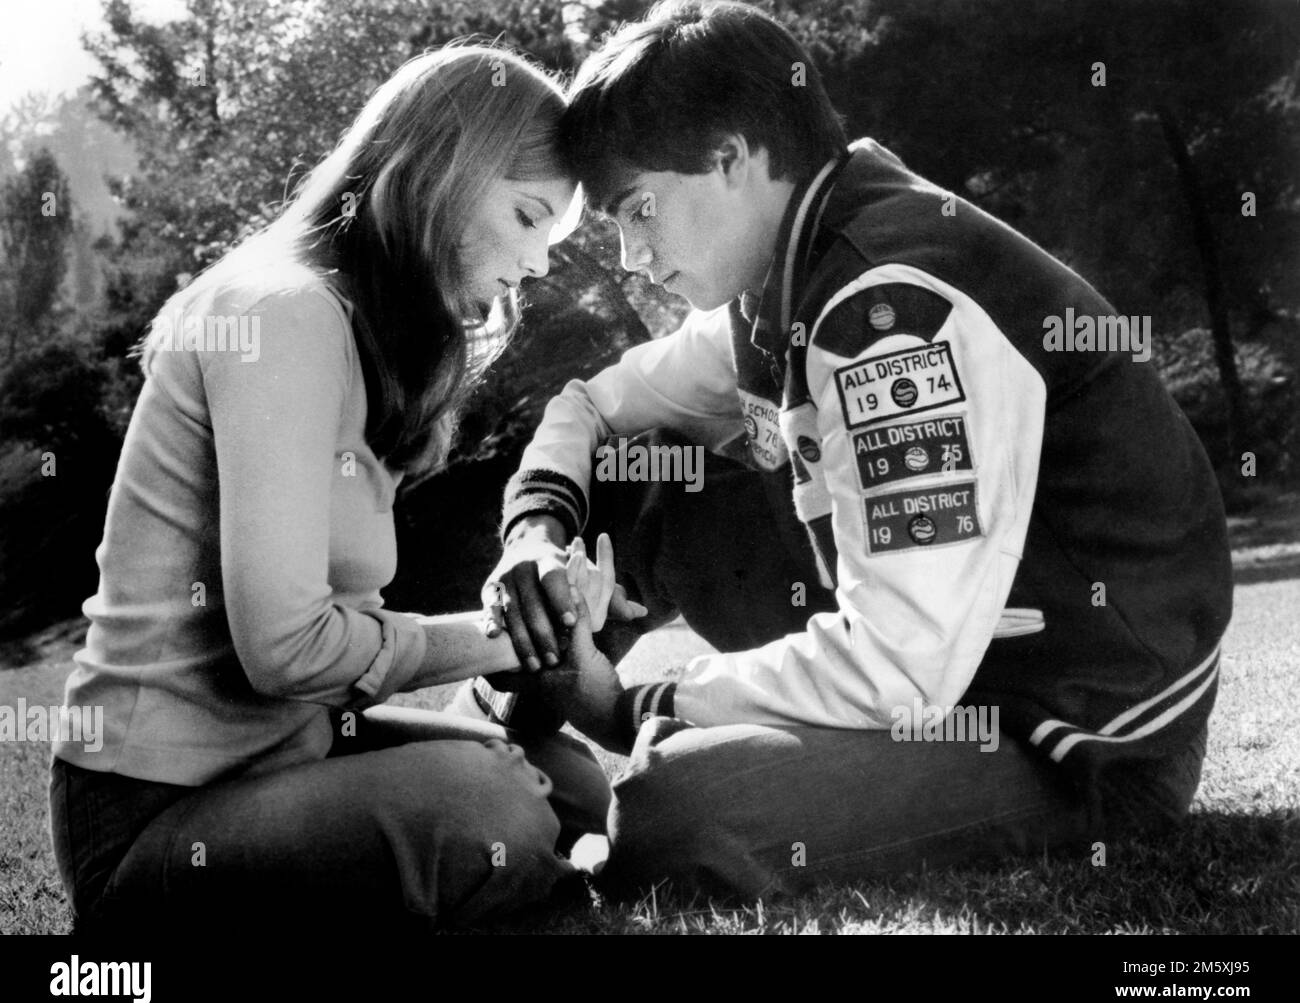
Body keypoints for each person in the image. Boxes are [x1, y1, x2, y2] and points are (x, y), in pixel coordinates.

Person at [480, 0, 1233, 901]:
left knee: (674, 813)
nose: (632, 254)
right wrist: (531, 533)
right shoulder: (781, 277)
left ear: (731, 157)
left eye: (638, 208)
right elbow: (592, 405)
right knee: (635, 469)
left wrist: (640, 703)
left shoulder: (887, 306)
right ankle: (505, 755)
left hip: (1080, 729)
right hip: (955, 671)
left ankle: (585, 761)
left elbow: (899, 662)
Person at [48, 43, 645, 937]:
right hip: (152, 817)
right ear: (442, 173)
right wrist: (500, 639)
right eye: (527, 218)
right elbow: (284, 651)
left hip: (292, 758)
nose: (539, 265)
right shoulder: (279, 312)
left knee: (575, 788)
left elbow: (328, 665)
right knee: (498, 810)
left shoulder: (357, 335)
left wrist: (537, 630)